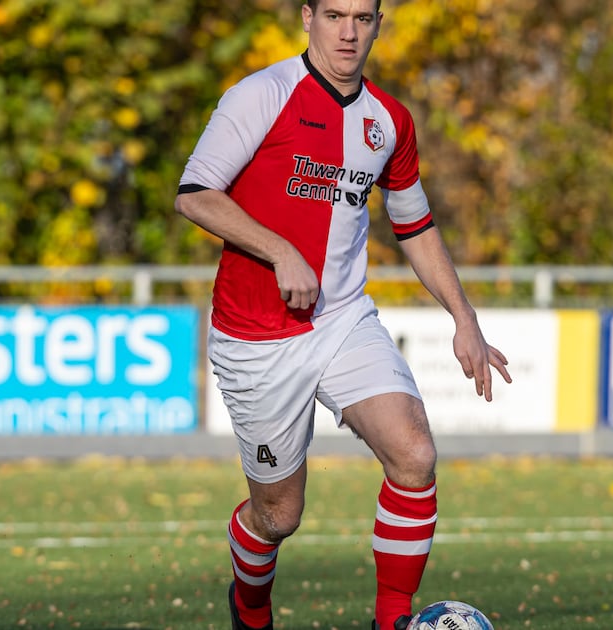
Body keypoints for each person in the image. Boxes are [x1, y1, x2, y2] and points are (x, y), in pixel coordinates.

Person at [173, 1, 512, 629]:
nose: (348, 31)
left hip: (342, 319)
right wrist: (280, 252)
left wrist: (464, 317)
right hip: (257, 337)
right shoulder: (260, 95)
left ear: (380, 23)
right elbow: (195, 196)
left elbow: (414, 224)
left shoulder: (390, 122)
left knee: (414, 453)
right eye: (334, 14)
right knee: (279, 516)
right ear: (307, 17)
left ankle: (392, 623)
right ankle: (249, 607)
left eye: (363, 16)